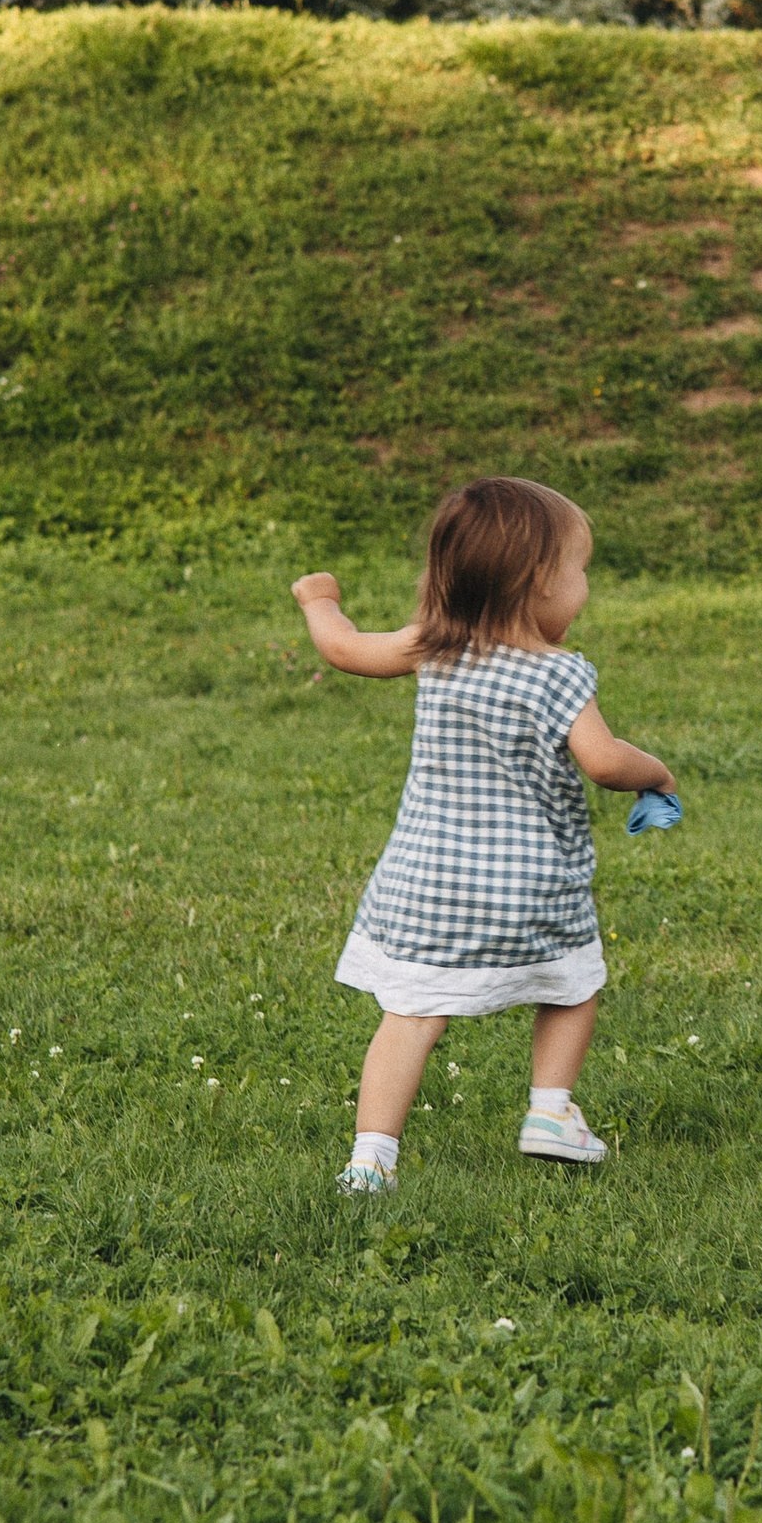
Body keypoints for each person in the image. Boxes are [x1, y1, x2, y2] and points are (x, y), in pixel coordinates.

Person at [293, 477, 674, 1191]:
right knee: (571, 983)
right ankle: (550, 1111)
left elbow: (344, 650)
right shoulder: (560, 674)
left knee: (409, 1015)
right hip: (530, 886)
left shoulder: (436, 647)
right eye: (579, 570)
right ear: (539, 584)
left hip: (428, 884)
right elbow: (602, 760)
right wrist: (657, 772)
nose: (584, 586)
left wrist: (320, 600)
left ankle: (370, 1161)